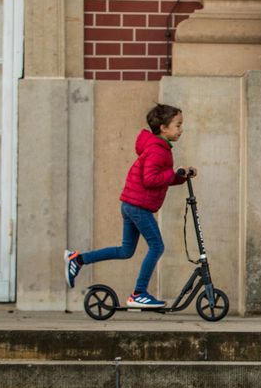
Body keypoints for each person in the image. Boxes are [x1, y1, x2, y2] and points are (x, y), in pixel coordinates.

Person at [64, 104, 196, 308]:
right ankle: (139, 293)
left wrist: (180, 176)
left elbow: (161, 177)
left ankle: (78, 259)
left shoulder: (158, 147)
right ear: (163, 127)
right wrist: (173, 173)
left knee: (126, 250)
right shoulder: (158, 150)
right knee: (157, 246)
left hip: (131, 204)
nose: (181, 129)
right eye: (178, 125)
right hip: (138, 206)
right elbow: (150, 179)